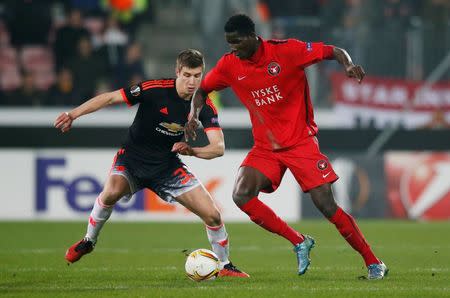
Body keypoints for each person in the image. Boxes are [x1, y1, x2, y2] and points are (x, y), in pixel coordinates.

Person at [185, 14, 388, 280]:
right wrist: (193, 115)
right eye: (229, 44)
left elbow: (335, 51)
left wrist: (348, 66)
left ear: (251, 36)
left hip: (300, 142)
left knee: (326, 205)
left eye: (236, 42)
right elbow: (202, 91)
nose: (232, 49)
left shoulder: (287, 51)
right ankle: (299, 241)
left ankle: (374, 262)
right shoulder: (229, 65)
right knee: (241, 194)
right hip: (266, 148)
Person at [54, 49, 249, 278]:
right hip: (132, 159)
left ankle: (225, 265)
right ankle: (89, 240)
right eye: (187, 75)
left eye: (197, 76)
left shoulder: (203, 105)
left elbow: (218, 148)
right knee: (111, 193)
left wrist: (192, 151)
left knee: (213, 215)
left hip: (167, 166)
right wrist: (73, 114)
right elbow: (109, 97)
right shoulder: (153, 89)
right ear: (177, 71)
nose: (192, 82)